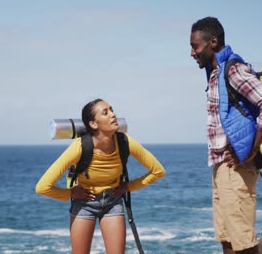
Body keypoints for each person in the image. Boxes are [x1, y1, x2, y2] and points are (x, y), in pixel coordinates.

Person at [189, 17, 262, 254]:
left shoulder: (234, 70)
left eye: (195, 46)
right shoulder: (215, 73)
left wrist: (250, 149)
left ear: (213, 42)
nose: (192, 53)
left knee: (243, 241)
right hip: (222, 166)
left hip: (236, 168)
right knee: (227, 237)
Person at [35, 98, 166, 254]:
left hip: (113, 202)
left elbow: (158, 171)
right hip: (84, 203)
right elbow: (42, 187)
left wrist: (128, 187)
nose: (113, 114)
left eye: (112, 109)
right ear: (94, 124)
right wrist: (71, 193)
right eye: (105, 112)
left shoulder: (125, 141)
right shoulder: (79, 146)